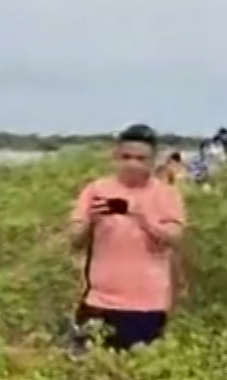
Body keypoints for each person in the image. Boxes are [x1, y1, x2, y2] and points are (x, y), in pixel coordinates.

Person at [66, 124, 187, 351]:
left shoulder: (165, 194)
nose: (132, 164)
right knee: (85, 368)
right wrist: (90, 220)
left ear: (152, 161)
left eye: (141, 159)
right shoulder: (96, 190)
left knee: (138, 372)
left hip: (146, 305)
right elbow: (75, 240)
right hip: (98, 301)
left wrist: (141, 216)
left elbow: (174, 239)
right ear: (115, 157)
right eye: (126, 157)